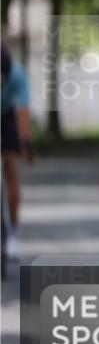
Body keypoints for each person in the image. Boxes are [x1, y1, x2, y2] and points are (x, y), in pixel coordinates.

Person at [1, 44, 35, 261]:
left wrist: (27, 145)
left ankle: (13, 233)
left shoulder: (18, 75)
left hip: (6, 116)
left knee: (11, 170)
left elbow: (23, 112)